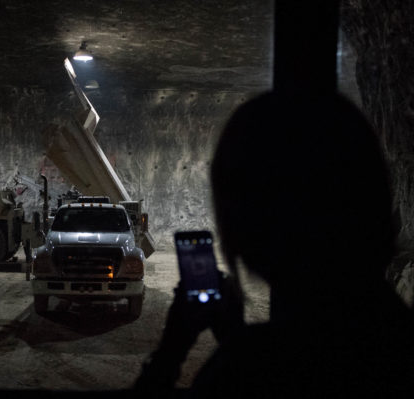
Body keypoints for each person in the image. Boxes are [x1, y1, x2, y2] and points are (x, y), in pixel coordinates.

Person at [134, 92, 414, 398]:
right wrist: (236, 338)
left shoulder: (247, 369)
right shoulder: (393, 337)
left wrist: (172, 351)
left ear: (247, 233)